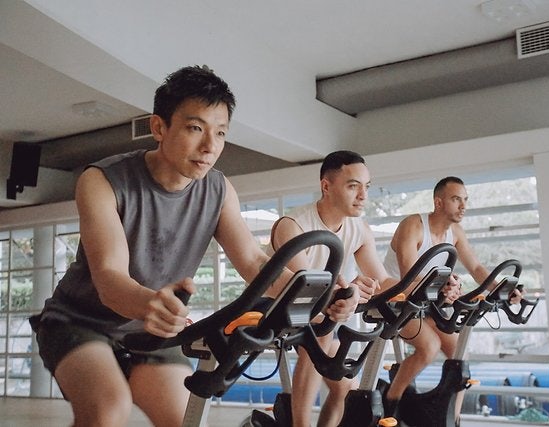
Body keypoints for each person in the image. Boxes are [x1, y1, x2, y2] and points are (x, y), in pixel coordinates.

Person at [28, 65, 355, 427]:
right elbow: (109, 277)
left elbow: (252, 261)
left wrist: (319, 295)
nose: (210, 146)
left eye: (220, 133)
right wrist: (151, 302)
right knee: (108, 411)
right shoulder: (101, 180)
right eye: (195, 128)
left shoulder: (218, 189)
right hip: (80, 321)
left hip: (152, 330)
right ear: (159, 127)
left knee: (186, 419)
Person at [267, 150, 396, 427]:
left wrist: (425, 283)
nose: (363, 195)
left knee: (345, 387)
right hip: (276, 312)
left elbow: (384, 281)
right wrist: (348, 290)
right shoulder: (292, 226)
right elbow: (305, 293)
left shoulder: (358, 228)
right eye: (353, 186)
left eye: (366, 187)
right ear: (326, 186)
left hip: (321, 313)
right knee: (324, 328)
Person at [381, 176, 522, 422]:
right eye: (456, 199)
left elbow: (476, 267)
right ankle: (391, 404)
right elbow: (408, 278)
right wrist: (443, 289)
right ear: (438, 202)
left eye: (465, 200)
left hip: (427, 305)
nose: (463, 206)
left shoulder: (455, 232)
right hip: (397, 302)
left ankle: (452, 419)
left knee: (459, 353)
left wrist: (502, 288)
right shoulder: (413, 226)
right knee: (429, 347)